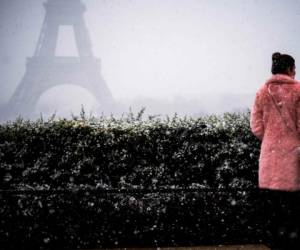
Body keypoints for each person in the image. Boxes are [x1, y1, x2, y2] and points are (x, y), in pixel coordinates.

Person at [250, 52, 300, 249]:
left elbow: (256, 126)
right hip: (294, 160)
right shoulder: (298, 91)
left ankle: (275, 243)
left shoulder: (262, 91)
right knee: (293, 211)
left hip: (269, 159)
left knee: (274, 210)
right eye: (294, 68)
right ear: (289, 69)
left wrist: (272, 140)